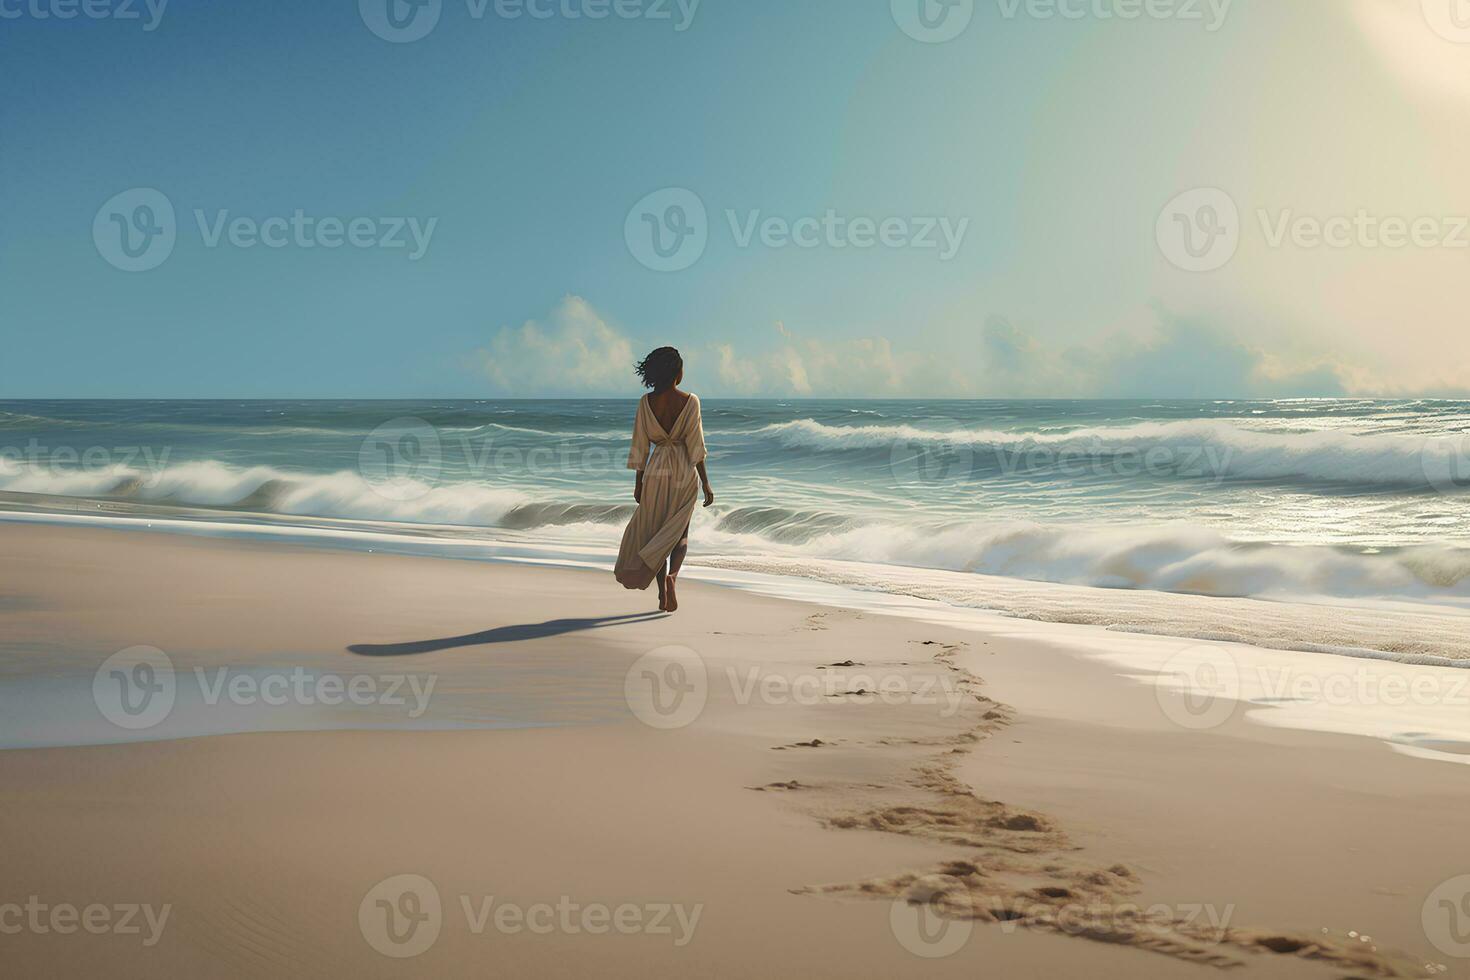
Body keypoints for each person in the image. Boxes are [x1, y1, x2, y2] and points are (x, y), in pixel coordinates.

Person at [613, 347, 715, 611]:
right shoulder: (690, 401)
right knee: (679, 534)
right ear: (676, 373)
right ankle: (673, 578)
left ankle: (661, 595)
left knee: (657, 533)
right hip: (683, 471)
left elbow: (640, 446)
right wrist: (705, 483)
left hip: (656, 472)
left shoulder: (645, 403)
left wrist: (639, 482)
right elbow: (696, 446)